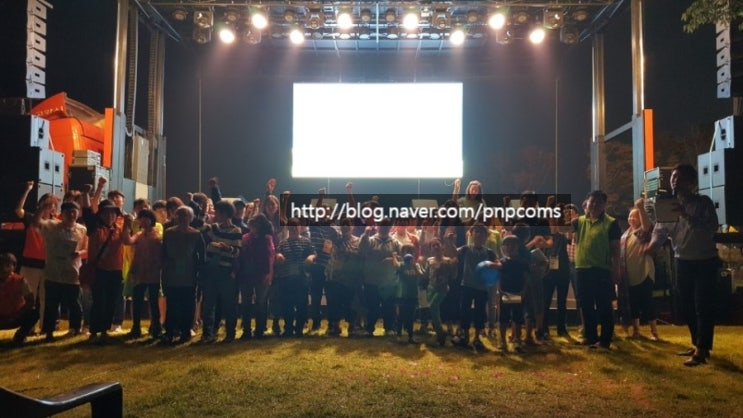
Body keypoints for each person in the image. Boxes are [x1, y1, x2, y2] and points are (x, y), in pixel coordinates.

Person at [651, 164, 719, 366]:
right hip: (682, 260)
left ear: (691, 183)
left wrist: (686, 215)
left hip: (704, 260)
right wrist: (650, 246)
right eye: (673, 177)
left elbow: (710, 228)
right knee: (686, 304)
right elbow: (660, 230)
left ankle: (702, 349)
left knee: (702, 305)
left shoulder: (703, 203)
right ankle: (697, 343)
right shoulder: (667, 205)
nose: (674, 181)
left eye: (679, 178)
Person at [573, 190, 621, 350]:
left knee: (604, 305)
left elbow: (616, 249)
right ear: (586, 203)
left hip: (601, 269)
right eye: (591, 202)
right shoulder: (579, 221)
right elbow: (559, 228)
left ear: (604, 205)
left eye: (598, 202)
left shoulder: (611, 223)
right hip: (582, 269)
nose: (594, 205)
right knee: (585, 305)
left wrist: (616, 269)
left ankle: (605, 341)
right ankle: (590, 337)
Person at [33, 200, 88, 341]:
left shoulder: (82, 229)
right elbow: (36, 223)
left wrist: (79, 253)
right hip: (53, 271)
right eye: (68, 212)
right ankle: (48, 331)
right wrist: (41, 208)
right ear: (62, 214)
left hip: (72, 272)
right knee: (51, 304)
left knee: (74, 303)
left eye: (74, 212)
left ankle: (75, 328)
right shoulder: (51, 226)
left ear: (78, 214)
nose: (71, 215)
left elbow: (86, 248)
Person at [199, 200, 242, 343]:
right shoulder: (214, 227)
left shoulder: (236, 231)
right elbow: (200, 228)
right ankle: (207, 333)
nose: (215, 214)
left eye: (217, 212)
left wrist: (226, 248)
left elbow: (237, 252)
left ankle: (230, 333)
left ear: (225, 213)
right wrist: (203, 212)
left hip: (226, 271)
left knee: (229, 303)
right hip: (211, 269)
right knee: (208, 303)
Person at [162, 206, 205, 344]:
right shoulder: (169, 233)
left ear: (191, 218)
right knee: (172, 304)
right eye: (180, 215)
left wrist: (199, 271)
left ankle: (186, 331)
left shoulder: (196, 234)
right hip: (172, 273)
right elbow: (163, 252)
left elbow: (201, 255)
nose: (183, 218)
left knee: (188, 304)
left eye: (186, 216)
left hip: (189, 274)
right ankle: (170, 331)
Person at [451, 224, 497, 351]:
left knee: (480, 313)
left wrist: (492, 267)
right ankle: (465, 336)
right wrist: (450, 242)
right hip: (467, 285)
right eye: (476, 232)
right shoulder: (466, 249)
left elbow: (497, 264)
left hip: (482, 288)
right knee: (464, 311)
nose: (479, 235)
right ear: (471, 234)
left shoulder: (489, 253)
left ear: (486, 236)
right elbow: (454, 252)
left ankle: (477, 338)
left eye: (482, 233)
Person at [619, 198, 659, 341]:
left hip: (644, 272)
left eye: (634, 217)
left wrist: (641, 208)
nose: (631, 219)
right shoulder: (625, 235)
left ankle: (654, 332)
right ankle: (636, 331)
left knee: (647, 302)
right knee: (633, 304)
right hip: (630, 275)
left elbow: (647, 226)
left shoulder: (642, 233)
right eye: (630, 216)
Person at [122, 209, 163, 338]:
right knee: (137, 301)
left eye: (146, 218)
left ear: (151, 220)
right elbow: (127, 241)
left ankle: (155, 327)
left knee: (153, 302)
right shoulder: (139, 235)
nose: (144, 221)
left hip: (153, 273)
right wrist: (126, 226)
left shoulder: (157, 235)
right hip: (139, 273)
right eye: (141, 218)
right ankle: (136, 327)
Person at [274, 218, 315, 337]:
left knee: (302, 305)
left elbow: (313, 253)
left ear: (300, 228)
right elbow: (277, 253)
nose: (293, 229)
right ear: (288, 228)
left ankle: (299, 329)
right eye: (291, 227)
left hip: (302, 278)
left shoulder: (306, 242)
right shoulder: (283, 243)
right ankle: (288, 328)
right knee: (287, 305)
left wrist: (311, 257)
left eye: (295, 227)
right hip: (286, 278)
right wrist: (278, 255)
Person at [236, 214, 275, 340]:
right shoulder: (245, 238)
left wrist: (269, 273)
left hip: (261, 273)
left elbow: (270, 256)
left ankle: (259, 329)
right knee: (246, 302)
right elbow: (242, 256)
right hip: (247, 273)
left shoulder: (266, 238)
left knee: (261, 302)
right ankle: (246, 330)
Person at [497, 236, 529, 352]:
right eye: (507, 245)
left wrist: (524, 291)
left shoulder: (522, 262)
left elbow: (526, 278)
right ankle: (502, 340)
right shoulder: (502, 262)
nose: (510, 247)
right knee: (503, 317)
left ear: (517, 246)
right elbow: (498, 277)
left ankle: (517, 340)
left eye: (512, 245)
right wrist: (499, 290)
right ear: (504, 247)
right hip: (505, 292)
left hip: (518, 292)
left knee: (517, 317)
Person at [0, 253, 39, 346]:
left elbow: (30, 301)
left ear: (14, 267)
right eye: (1, 265)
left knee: (34, 313)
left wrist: (17, 314)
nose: (3, 269)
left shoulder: (20, 281)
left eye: (7, 265)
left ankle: (19, 337)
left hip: (15, 316)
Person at [424, 238, 457, 346]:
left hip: (442, 289)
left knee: (433, 306)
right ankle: (439, 336)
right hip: (430, 289)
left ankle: (441, 332)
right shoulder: (429, 261)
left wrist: (455, 266)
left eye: (437, 244)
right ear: (430, 249)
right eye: (433, 245)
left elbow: (454, 276)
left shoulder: (447, 260)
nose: (435, 247)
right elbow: (426, 274)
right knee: (434, 311)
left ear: (442, 246)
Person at [394, 245, 423, 343]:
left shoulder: (416, 265)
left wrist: (415, 266)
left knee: (411, 316)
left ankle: (410, 336)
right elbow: (396, 265)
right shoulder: (402, 265)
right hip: (402, 294)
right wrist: (394, 257)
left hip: (413, 294)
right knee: (400, 316)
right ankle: (399, 335)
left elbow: (421, 275)